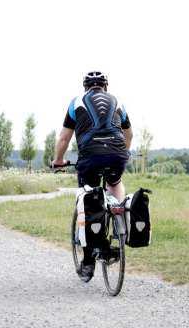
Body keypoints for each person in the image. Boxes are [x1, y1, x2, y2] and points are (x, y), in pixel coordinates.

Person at [52, 71, 133, 281]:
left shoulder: (76, 102)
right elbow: (129, 134)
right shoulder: (117, 102)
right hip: (117, 154)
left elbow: (63, 139)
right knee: (115, 181)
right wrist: (122, 154)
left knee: (87, 197)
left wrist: (58, 160)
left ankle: (88, 261)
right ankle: (120, 221)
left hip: (90, 157)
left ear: (85, 87)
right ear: (105, 86)